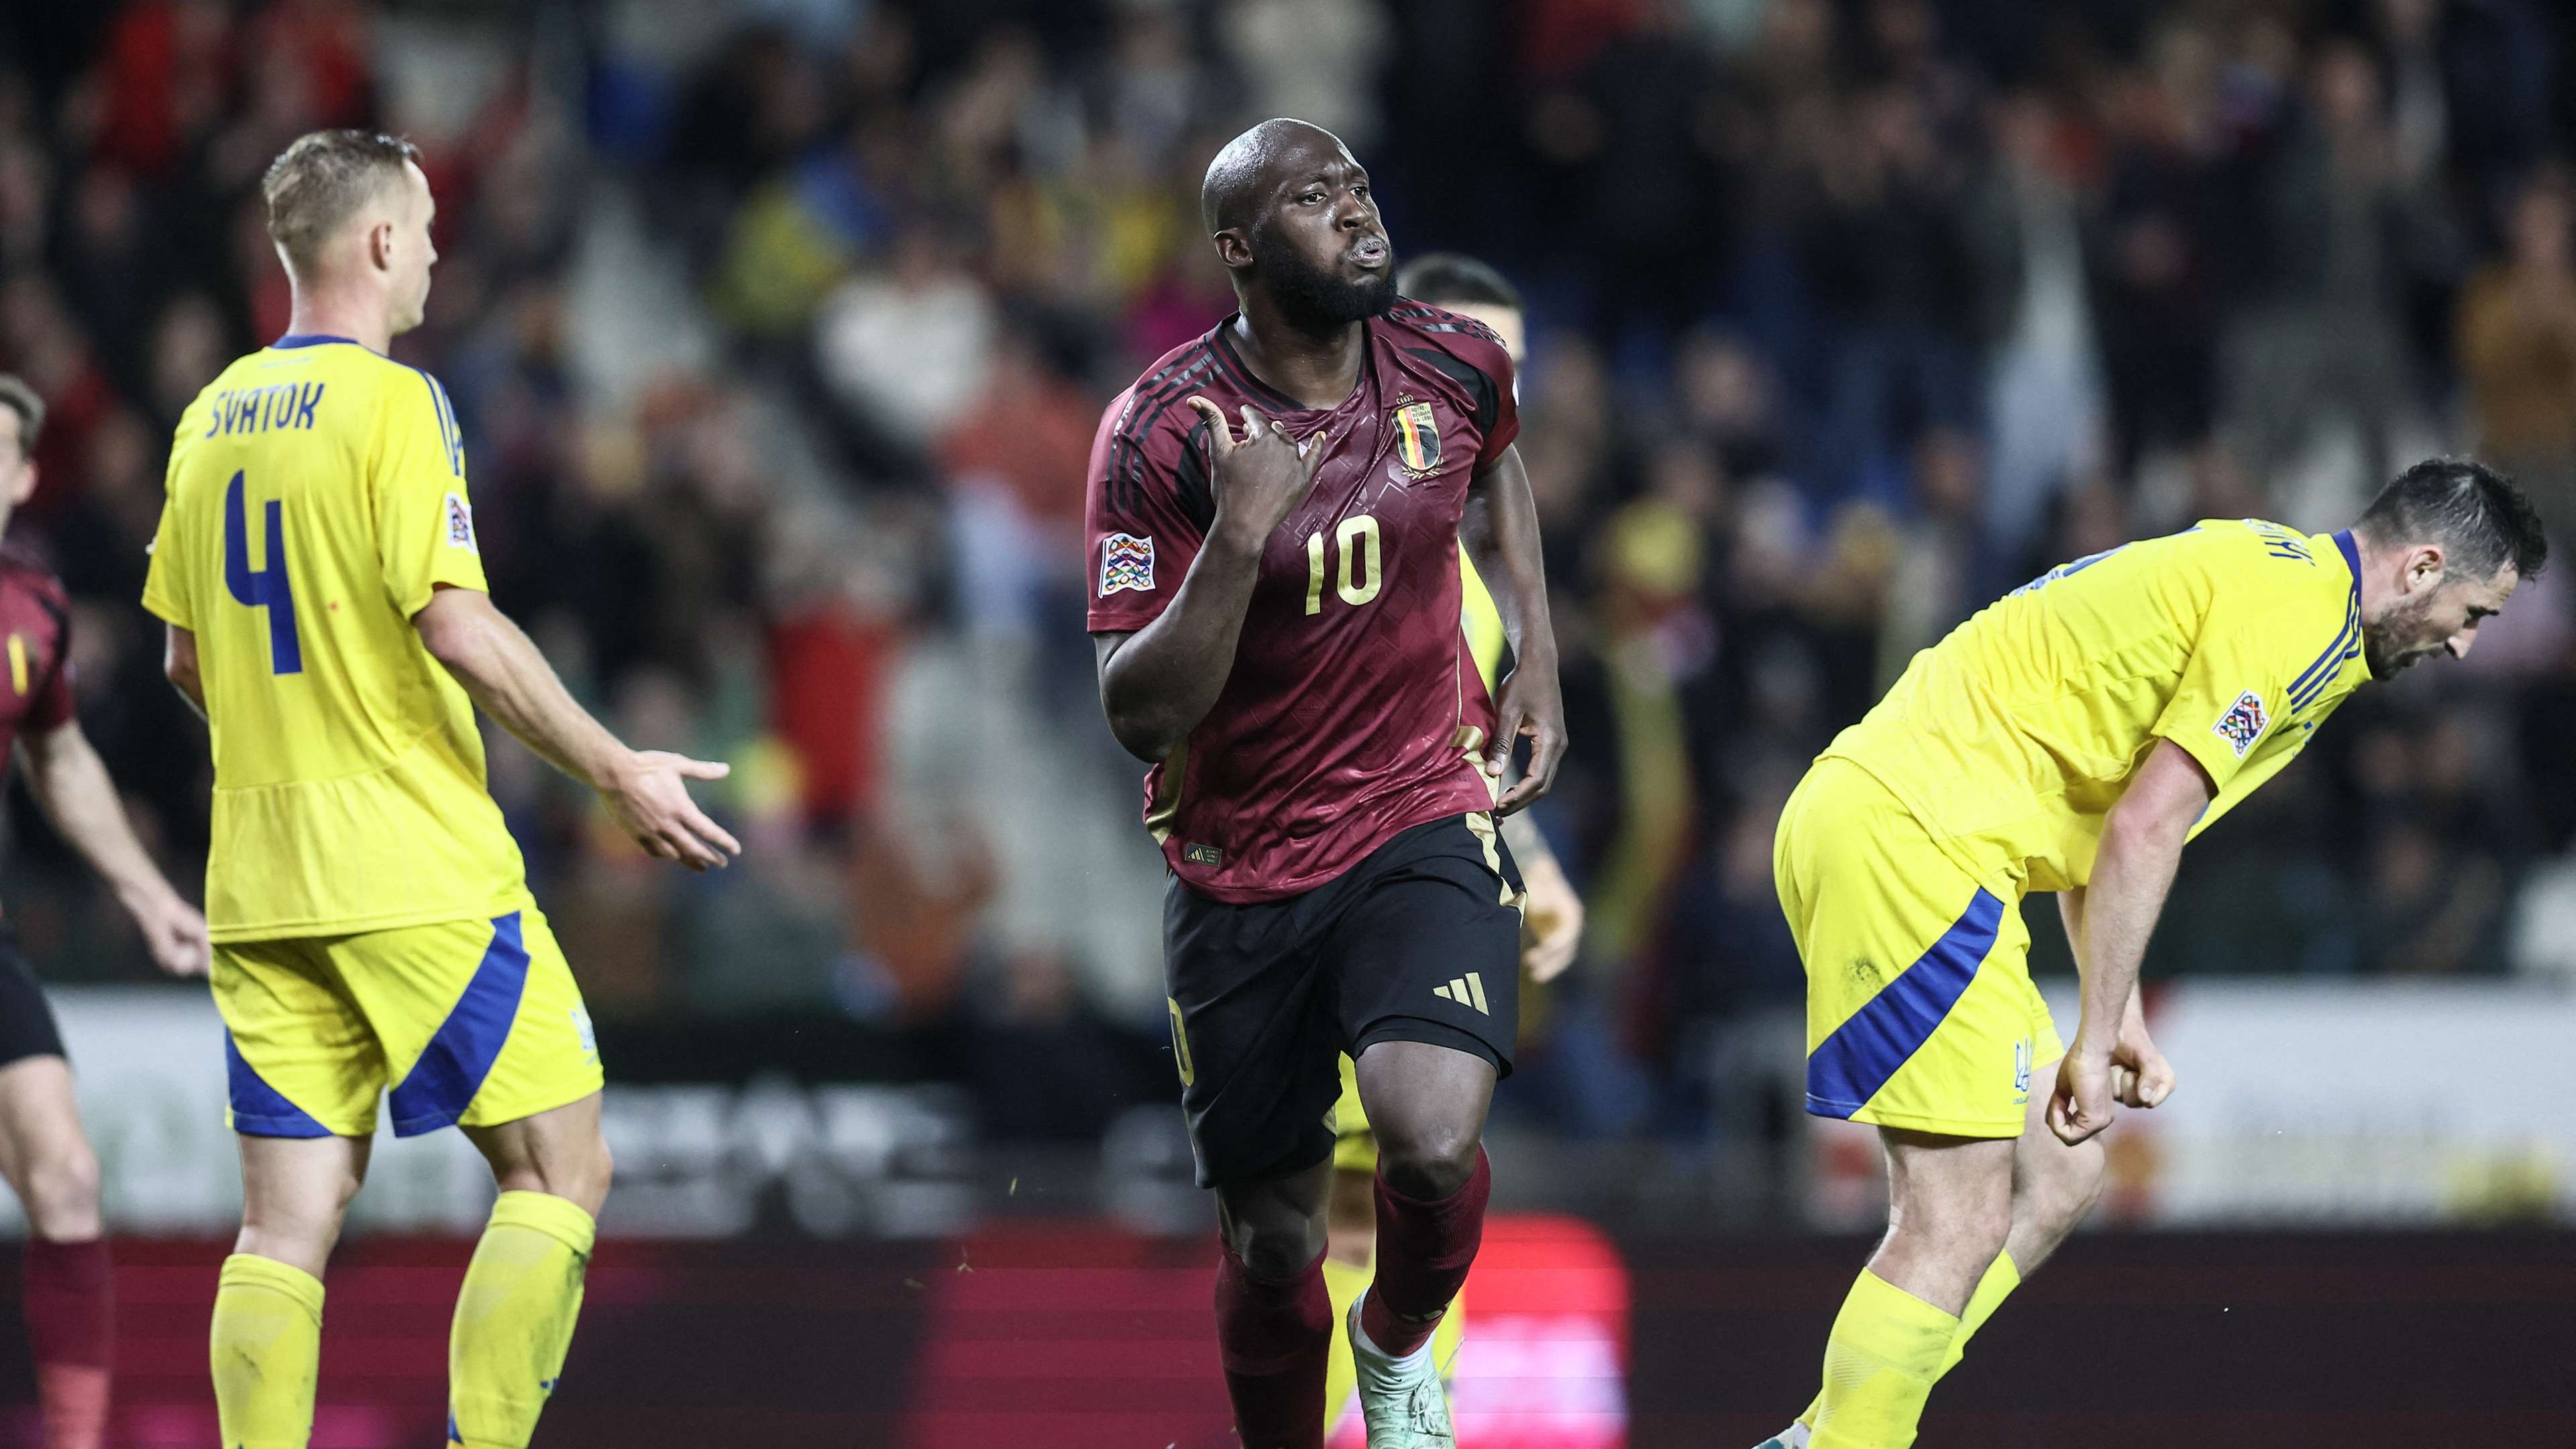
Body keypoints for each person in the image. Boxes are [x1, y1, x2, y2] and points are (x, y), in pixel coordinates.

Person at [141, 131, 740, 1449]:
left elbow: (186, 658)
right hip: (411, 867)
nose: (437, 252)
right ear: (379, 243)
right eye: (425, 228)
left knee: (286, 1227)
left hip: (256, 880)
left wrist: (293, 722)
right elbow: (457, 626)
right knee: (562, 1165)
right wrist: (615, 767)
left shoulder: (209, 418)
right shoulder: (398, 405)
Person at [1754, 459, 2544, 1449]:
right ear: (2423, 568)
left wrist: (2113, 1014)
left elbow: (2102, 810)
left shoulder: (2280, 577)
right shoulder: (2300, 624)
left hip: (1906, 829)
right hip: (1922, 842)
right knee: (1952, 1222)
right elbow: (2144, 829)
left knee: (2064, 1173)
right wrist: (2092, 1034)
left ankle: (1834, 1430)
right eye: (2476, 612)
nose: (2467, 648)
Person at [1086, 119, 1566, 1448]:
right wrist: (1238, 537)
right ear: (1240, 250)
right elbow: (1139, 712)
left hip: (1421, 809)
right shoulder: (1163, 434)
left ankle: (1399, 1347)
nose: (1359, 215)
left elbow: (1500, 458)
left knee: (1427, 1141)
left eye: (1358, 187)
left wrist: (1534, 655)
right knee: (1275, 1237)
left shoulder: (1449, 360)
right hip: (1241, 864)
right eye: (1314, 199)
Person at [1312, 252, 1587, 1434]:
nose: (1489, 386)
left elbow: (1469, 738)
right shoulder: (1345, 504)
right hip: (1321, 901)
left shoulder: (1480, 548)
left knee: (1420, 1191)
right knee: (1339, 1210)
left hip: (1419, 901)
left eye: (1511, 366)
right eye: (1473, 350)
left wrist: (1548, 869)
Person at [0, 375, 210, 1449]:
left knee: (70, 1176)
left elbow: (62, 756)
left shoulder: (31, 610)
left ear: (26, 476)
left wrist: (148, 895)